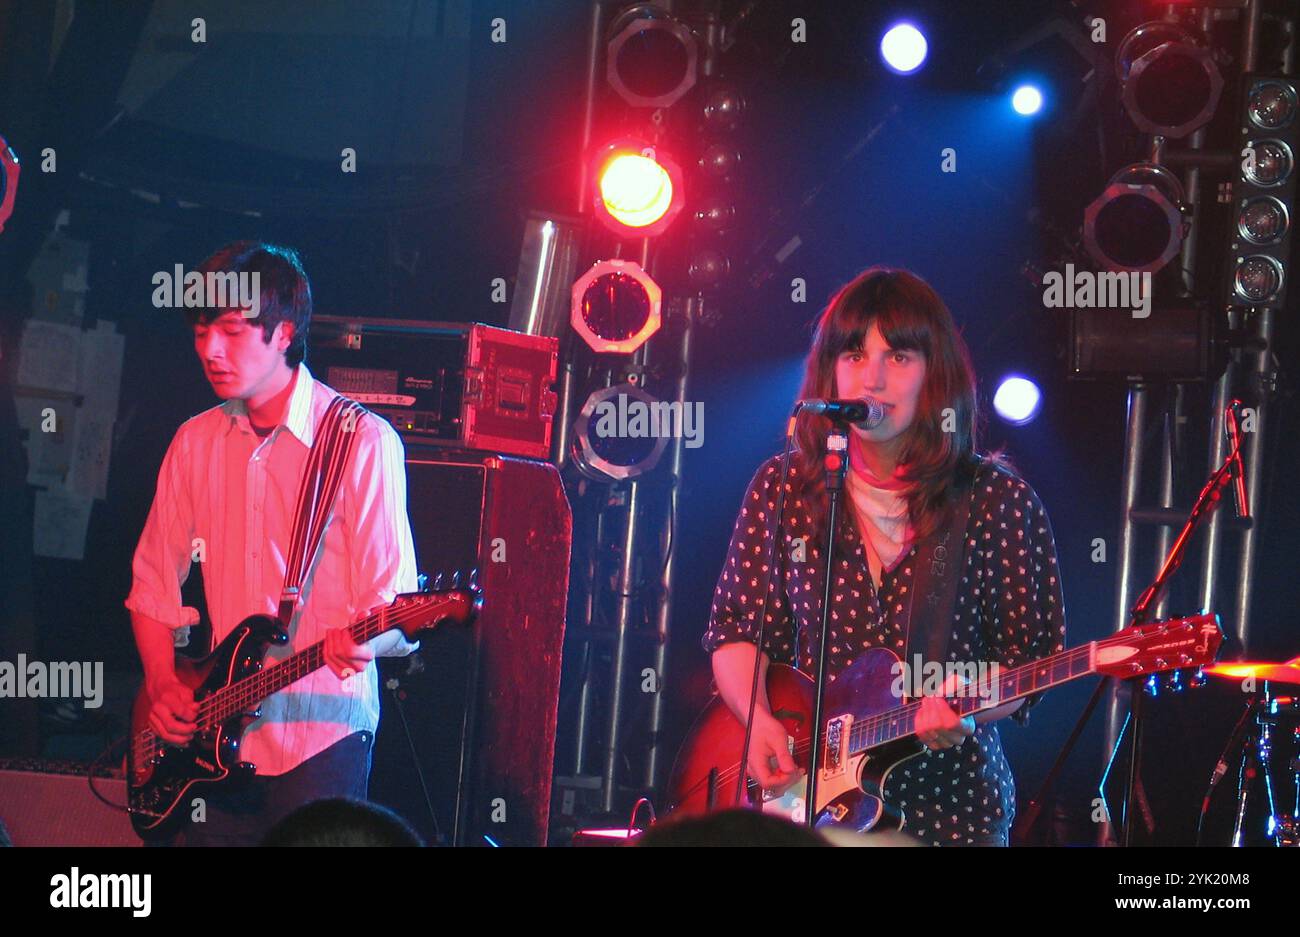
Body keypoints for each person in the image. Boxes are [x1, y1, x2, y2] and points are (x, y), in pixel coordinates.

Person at [704, 266, 1066, 846]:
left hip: (949, 811)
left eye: (897, 357)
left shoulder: (997, 502)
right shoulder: (784, 488)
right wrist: (759, 723)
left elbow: (1029, 661)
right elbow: (738, 631)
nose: (871, 378)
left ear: (935, 374)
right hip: (808, 808)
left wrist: (967, 709)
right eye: (853, 355)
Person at [125, 241, 420, 846]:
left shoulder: (362, 441)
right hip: (210, 742)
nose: (209, 349)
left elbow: (399, 605)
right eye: (201, 330)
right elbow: (153, 586)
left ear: (283, 332)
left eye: (231, 331)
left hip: (321, 735)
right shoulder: (193, 443)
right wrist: (161, 682)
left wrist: (368, 638)